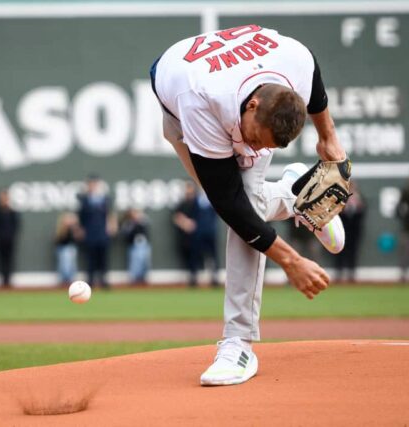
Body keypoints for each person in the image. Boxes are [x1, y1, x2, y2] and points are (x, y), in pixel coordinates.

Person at [151, 24, 346, 386]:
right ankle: (298, 194)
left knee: (248, 210)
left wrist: (329, 137)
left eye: (265, 146)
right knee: (237, 206)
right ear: (253, 106)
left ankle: (238, 342)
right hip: (181, 98)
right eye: (254, 139)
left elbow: (313, 76)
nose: (254, 150)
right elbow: (230, 203)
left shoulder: (295, 62)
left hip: (221, 80)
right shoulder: (203, 100)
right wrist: (292, 260)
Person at [77, 174, 117, 289]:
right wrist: (81, 229)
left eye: (95, 183)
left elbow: (110, 214)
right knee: (90, 259)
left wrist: (112, 225)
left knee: (103, 258)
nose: (93, 186)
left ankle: (104, 281)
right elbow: (81, 217)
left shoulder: (105, 199)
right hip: (90, 233)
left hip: (102, 232)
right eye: (91, 184)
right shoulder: (84, 200)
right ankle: (90, 281)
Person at [335, 180, 367, 282]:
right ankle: (339, 272)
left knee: (353, 252)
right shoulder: (340, 198)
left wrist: (359, 208)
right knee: (340, 251)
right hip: (342, 229)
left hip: (354, 230)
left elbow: (363, 212)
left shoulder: (359, 198)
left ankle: (351, 273)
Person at [0, 189, 20, 288]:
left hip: (10, 240)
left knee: (9, 260)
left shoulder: (12, 212)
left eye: (5, 197)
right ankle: (2, 280)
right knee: (0, 260)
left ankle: (8, 280)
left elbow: (16, 225)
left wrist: (11, 235)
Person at [172, 181, 199, 287]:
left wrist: (192, 224)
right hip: (184, 237)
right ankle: (189, 277)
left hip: (196, 236)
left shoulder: (197, 203)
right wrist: (184, 223)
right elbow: (176, 216)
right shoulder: (181, 204)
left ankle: (194, 277)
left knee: (195, 257)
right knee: (186, 257)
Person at [194, 191, 220, 287]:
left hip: (211, 232)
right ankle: (195, 277)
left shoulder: (212, 198)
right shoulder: (196, 200)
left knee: (213, 256)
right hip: (199, 232)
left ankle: (214, 277)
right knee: (197, 255)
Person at [120, 208, 151, 285]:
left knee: (145, 262)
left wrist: (140, 219)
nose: (136, 215)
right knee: (134, 263)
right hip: (133, 245)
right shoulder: (128, 223)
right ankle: (134, 280)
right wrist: (133, 223)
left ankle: (143, 278)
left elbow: (147, 224)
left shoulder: (143, 221)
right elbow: (125, 232)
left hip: (144, 244)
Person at [54, 212, 83, 286]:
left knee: (72, 265)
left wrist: (75, 228)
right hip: (63, 248)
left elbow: (79, 238)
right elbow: (59, 239)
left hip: (72, 248)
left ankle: (70, 281)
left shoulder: (74, 228)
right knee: (64, 265)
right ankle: (64, 281)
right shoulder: (61, 228)